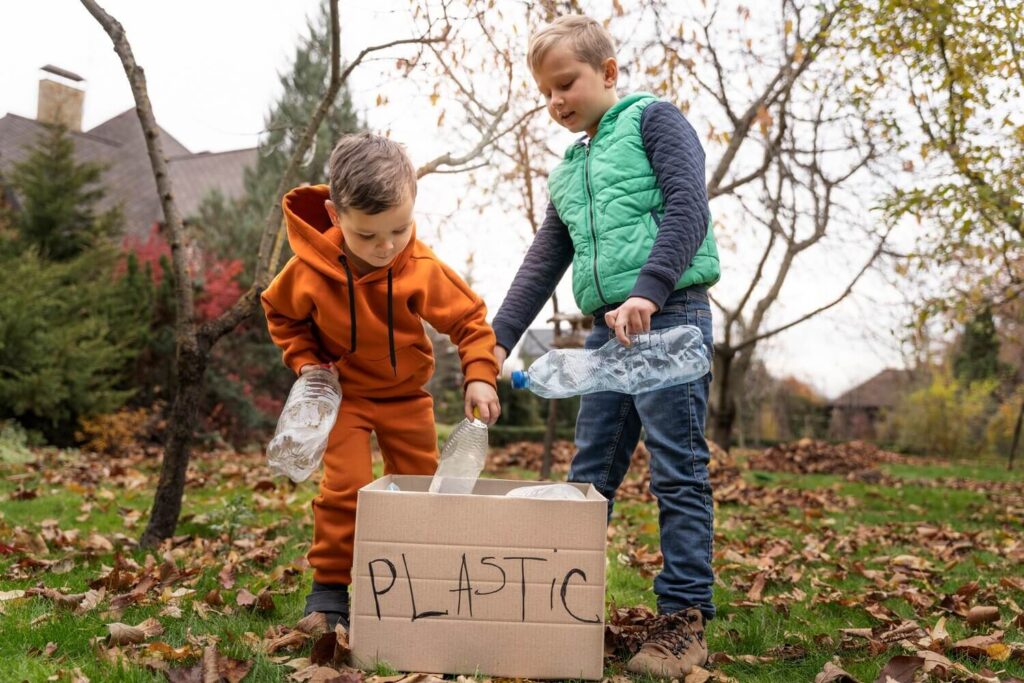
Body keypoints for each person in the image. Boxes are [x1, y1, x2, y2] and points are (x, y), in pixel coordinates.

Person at [490, 15, 720, 677]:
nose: (556, 100)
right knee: (588, 476)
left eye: (566, 83)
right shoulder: (570, 170)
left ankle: (682, 621)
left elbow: (687, 205)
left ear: (608, 73)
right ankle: (562, 612)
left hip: (669, 317)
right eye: (545, 92)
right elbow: (544, 260)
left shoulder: (655, 120)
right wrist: (497, 337)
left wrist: (649, 288)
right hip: (605, 335)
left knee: (676, 468)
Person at [261, 133, 501, 630]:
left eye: (399, 228)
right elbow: (280, 314)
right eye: (367, 235)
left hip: (406, 398)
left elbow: (470, 321)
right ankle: (329, 591)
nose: (386, 246)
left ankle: (416, 579)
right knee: (345, 488)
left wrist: (480, 377)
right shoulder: (306, 271)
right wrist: (306, 363)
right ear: (334, 215)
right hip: (343, 397)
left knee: (422, 489)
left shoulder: (420, 268)